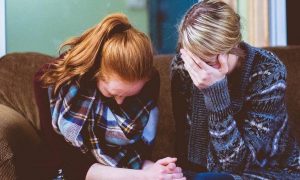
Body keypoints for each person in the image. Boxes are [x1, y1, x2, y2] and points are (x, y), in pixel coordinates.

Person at [34, 13, 185, 180]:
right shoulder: (51, 83)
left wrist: (158, 171)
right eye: (113, 94)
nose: (120, 102)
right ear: (95, 73)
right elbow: (69, 164)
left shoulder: (149, 83)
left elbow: (138, 152)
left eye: (129, 96)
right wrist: (144, 176)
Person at [171, 0, 300, 179]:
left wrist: (216, 94)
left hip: (271, 171)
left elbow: (235, 165)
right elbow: (183, 143)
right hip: (206, 174)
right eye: (193, 58)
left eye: (207, 62)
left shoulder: (268, 72)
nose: (198, 69)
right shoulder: (183, 67)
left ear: (232, 47)